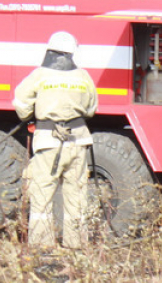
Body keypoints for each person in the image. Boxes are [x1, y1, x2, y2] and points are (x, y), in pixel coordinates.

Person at [12, 31, 98, 250]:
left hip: (48, 142)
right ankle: (76, 244)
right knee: (77, 195)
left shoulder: (39, 75)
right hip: (78, 141)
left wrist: (31, 115)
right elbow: (91, 108)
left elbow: (21, 103)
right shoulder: (83, 77)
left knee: (42, 194)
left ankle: (42, 246)